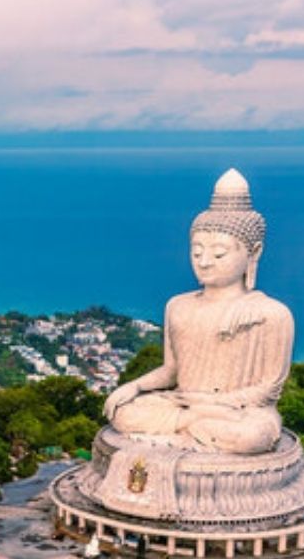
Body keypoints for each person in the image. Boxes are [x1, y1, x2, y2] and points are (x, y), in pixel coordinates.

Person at [103, 169, 293, 455]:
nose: (204, 262)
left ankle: (190, 426)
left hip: (237, 413)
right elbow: (171, 371)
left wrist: (212, 405)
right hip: (187, 404)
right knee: (122, 412)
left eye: (219, 254)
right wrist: (135, 387)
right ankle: (192, 425)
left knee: (251, 437)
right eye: (196, 252)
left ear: (254, 253)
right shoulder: (178, 305)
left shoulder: (270, 314)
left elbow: (267, 390)